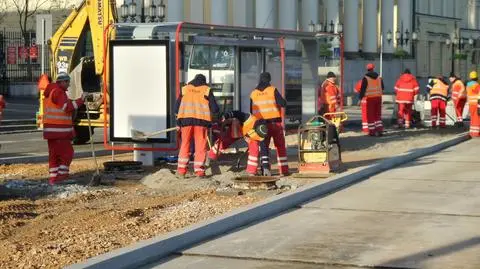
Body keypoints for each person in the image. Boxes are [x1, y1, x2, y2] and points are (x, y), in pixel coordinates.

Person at [43, 72, 86, 185]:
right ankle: (62, 177)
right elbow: (67, 107)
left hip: (51, 132)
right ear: (61, 81)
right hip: (60, 132)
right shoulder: (58, 92)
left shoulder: (51, 91)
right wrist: (81, 100)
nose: (68, 84)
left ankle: (53, 179)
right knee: (67, 154)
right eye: (67, 82)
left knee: (54, 156)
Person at [175, 74, 219, 178]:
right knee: (200, 146)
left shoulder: (185, 89)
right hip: (201, 122)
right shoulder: (207, 90)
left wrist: (178, 123)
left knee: (185, 144)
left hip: (185, 122)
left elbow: (176, 108)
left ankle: (181, 171)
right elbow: (215, 109)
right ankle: (199, 172)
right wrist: (215, 118)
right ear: (204, 82)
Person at [250, 72, 289, 176]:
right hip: (275, 124)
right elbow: (282, 103)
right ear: (269, 80)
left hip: (261, 126)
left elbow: (251, 110)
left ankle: (265, 169)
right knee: (280, 146)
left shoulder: (253, 93)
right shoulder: (272, 90)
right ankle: (284, 170)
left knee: (264, 147)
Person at [208, 111, 270, 176]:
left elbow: (264, 150)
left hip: (248, 135)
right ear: (255, 129)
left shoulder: (262, 135)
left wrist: (266, 167)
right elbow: (237, 113)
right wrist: (226, 115)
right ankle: (211, 156)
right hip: (238, 128)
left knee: (254, 148)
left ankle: (251, 171)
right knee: (225, 141)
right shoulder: (248, 119)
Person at [358, 63, 384, 136]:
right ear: (373, 68)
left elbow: (362, 90)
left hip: (370, 99)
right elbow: (382, 88)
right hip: (378, 98)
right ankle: (379, 130)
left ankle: (372, 131)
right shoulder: (379, 78)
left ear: (367, 69)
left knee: (370, 115)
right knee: (377, 115)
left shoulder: (365, 78)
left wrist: (360, 99)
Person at [466, 71, 480, 137]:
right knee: (477, 118)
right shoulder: (477, 85)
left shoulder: (468, 85)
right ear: (477, 77)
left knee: (472, 118)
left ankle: (472, 132)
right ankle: (476, 133)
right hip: (476, 103)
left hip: (471, 103)